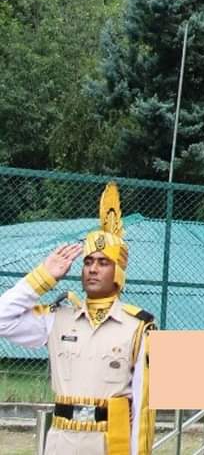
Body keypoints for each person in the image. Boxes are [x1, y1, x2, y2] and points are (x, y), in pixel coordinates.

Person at [0, 183, 155, 455]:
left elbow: (144, 406)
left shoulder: (139, 326)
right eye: (88, 261)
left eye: (103, 262)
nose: (93, 269)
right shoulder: (57, 318)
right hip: (61, 440)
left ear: (119, 272)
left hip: (109, 443)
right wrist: (42, 277)